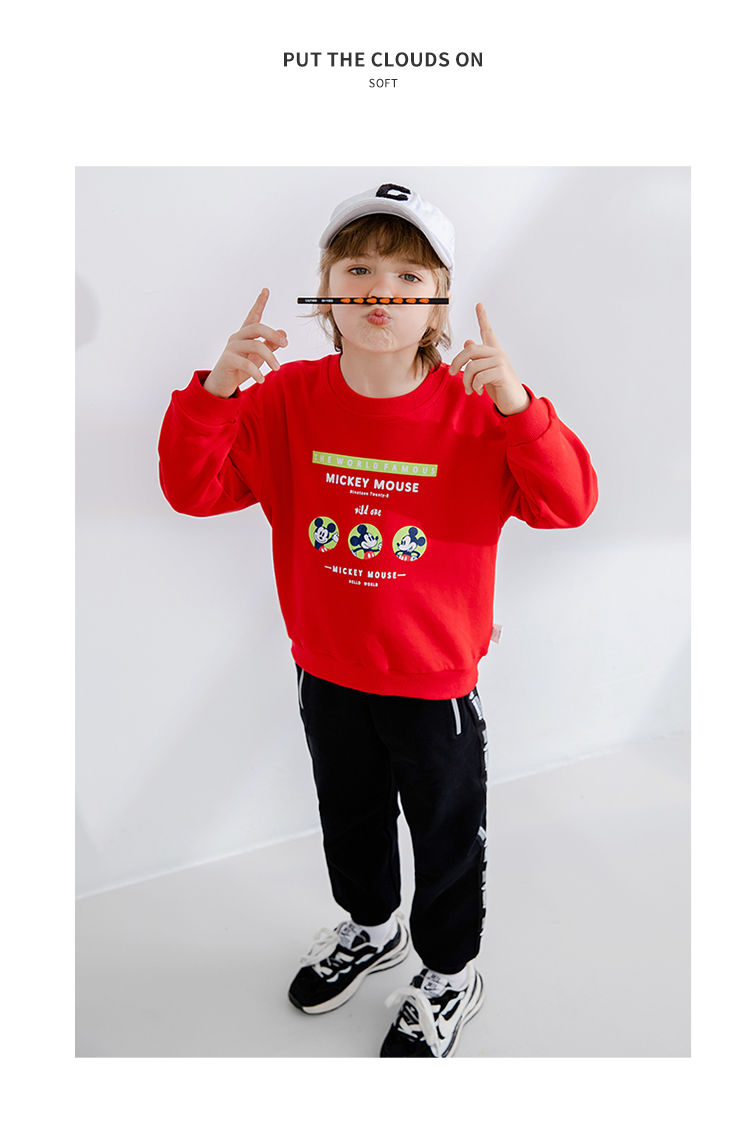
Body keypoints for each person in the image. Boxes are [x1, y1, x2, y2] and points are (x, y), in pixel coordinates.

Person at [157, 182, 599, 1057]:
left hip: (435, 683)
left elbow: (570, 502)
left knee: (445, 834)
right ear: (325, 290)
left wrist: (519, 409)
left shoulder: (480, 408)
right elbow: (192, 488)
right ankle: (371, 928)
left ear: (438, 301)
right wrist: (218, 389)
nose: (380, 292)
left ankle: (450, 973)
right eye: (357, 269)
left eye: (408, 275)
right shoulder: (285, 400)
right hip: (326, 667)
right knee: (349, 816)